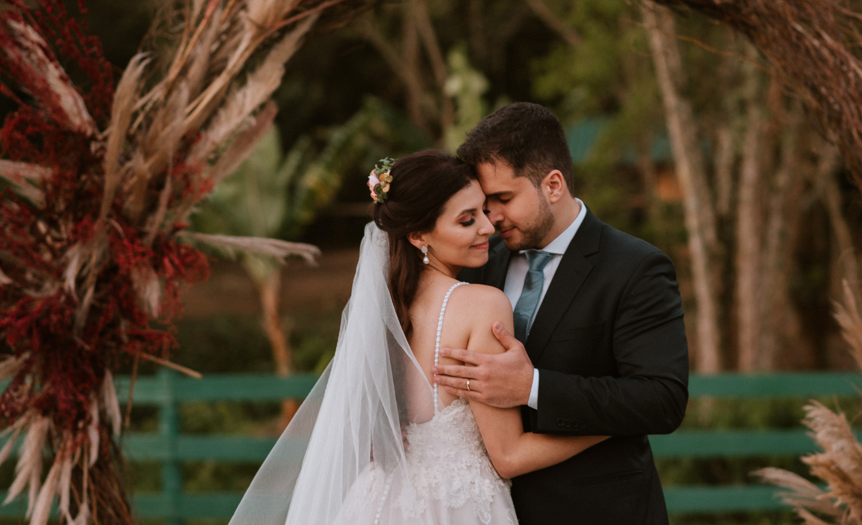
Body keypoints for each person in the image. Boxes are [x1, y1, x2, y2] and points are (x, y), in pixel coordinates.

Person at [228, 149, 606, 525]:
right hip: (455, 509)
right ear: (418, 234)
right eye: (466, 220)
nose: (488, 228)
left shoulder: (384, 312)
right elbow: (508, 456)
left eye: (483, 211)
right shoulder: (482, 305)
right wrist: (611, 428)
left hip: (375, 505)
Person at [434, 102, 690, 525]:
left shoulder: (635, 268)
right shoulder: (479, 264)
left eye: (503, 199)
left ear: (552, 185)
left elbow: (662, 399)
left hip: (602, 512)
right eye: (483, 204)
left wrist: (532, 386)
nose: (490, 218)